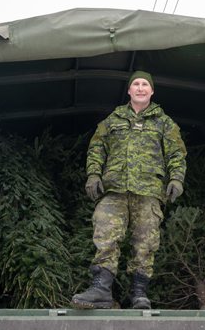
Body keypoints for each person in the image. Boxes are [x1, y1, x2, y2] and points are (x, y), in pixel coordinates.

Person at [71, 71, 187, 309]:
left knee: (145, 241)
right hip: (114, 189)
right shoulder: (113, 120)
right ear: (129, 90)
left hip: (149, 191)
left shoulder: (164, 123)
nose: (141, 88)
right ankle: (101, 290)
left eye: (145, 84)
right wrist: (94, 174)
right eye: (136, 84)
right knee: (105, 235)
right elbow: (96, 148)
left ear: (152, 91)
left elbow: (176, 153)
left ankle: (139, 294)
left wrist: (176, 179)